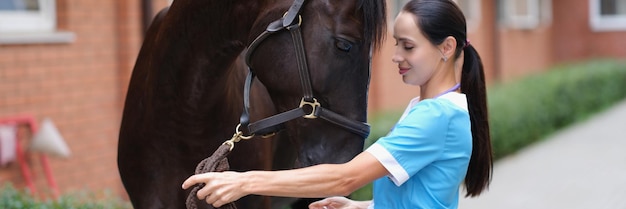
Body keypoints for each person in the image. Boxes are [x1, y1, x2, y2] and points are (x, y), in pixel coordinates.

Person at [181, 0, 492, 208]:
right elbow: (420, 199)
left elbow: (347, 176)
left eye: (408, 46)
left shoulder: (437, 116)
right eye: (397, 44)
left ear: (446, 48)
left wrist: (244, 181)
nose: (397, 56)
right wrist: (360, 206)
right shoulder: (431, 109)